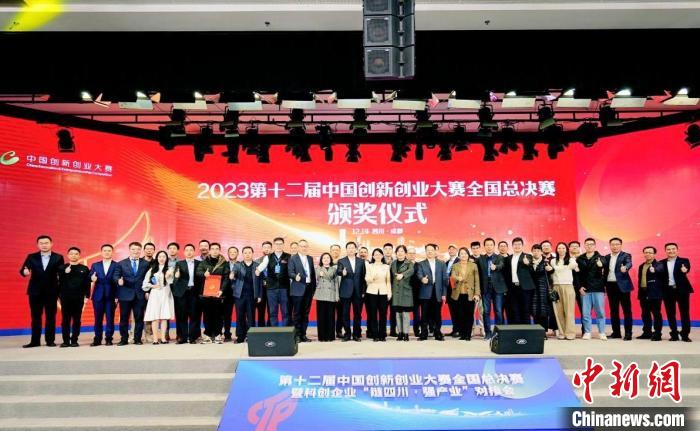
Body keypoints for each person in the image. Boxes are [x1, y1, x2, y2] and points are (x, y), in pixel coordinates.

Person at [19, 235, 65, 348]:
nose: (44, 245)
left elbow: (61, 274)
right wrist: (25, 272)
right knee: (35, 317)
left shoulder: (58, 257)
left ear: (51, 244)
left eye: (46, 243)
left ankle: (50, 341)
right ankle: (35, 341)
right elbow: (23, 270)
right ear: (38, 245)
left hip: (52, 291)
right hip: (35, 291)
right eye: (41, 243)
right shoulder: (31, 257)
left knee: (50, 316)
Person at [114, 242, 150, 345]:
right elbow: (116, 275)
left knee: (139, 318)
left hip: (140, 294)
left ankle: (137, 339)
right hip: (125, 294)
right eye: (133, 249)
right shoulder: (121, 263)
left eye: (138, 249)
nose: (136, 251)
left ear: (141, 250)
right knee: (124, 318)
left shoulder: (145, 264)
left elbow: (148, 278)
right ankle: (124, 339)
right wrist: (118, 280)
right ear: (129, 250)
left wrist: (147, 291)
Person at [196, 243, 230, 344]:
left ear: (219, 250)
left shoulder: (224, 263)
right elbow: (198, 272)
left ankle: (218, 334)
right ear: (210, 251)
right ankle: (208, 334)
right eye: (213, 249)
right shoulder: (203, 262)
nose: (215, 251)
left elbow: (226, 278)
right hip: (206, 293)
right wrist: (204, 274)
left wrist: (222, 290)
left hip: (218, 293)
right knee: (207, 314)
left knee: (218, 315)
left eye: (217, 249)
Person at [658, 243, 693, 342]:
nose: (671, 251)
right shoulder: (661, 263)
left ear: (677, 250)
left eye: (673, 249)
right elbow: (659, 276)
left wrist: (685, 270)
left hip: (682, 290)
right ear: (665, 251)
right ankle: (674, 334)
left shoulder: (684, 261)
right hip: (667, 291)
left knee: (684, 313)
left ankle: (685, 334)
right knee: (670, 313)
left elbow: (686, 268)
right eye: (668, 249)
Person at [57, 247, 91, 347]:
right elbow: (58, 283)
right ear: (68, 255)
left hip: (79, 298)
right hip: (65, 297)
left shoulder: (84, 268)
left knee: (77, 319)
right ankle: (66, 341)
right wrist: (64, 273)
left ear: (79, 255)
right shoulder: (61, 268)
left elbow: (87, 283)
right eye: (71, 254)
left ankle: (74, 340)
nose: (74, 255)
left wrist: (87, 296)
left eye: (76, 254)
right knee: (65, 320)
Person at [416, 244, 449, 340]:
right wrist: (422, 279)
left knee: (437, 314)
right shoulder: (421, 264)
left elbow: (445, 280)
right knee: (424, 314)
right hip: (425, 292)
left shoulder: (441, 264)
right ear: (425, 252)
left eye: (432, 250)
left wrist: (444, 294)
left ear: (435, 251)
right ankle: (424, 333)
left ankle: (437, 332)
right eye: (428, 250)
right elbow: (419, 274)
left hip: (437, 292)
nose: (430, 252)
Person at [604, 237, 634, 340]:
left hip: (623, 286)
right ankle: (616, 332)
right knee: (613, 310)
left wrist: (625, 267)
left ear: (621, 245)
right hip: (610, 286)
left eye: (617, 244)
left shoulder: (626, 255)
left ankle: (628, 333)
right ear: (610, 245)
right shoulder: (606, 257)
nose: (615, 246)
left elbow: (629, 263)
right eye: (613, 244)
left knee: (627, 311)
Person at [577, 238, 607, 340]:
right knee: (585, 313)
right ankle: (587, 332)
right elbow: (577, 275)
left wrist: (600, 266)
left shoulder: (601, 258)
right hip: (585, 289)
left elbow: (605, 267)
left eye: (591, 244)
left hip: (598, 288)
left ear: (595, 246)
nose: (589, 246)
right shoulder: (580, 259)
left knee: (600, 312)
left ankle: (602, 332)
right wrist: (580, 287)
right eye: (587, 244)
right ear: (584, 246)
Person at [143, 251, 175, 344]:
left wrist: (169, 275)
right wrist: (152, 286)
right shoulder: (152, 269)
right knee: (155, 317)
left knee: (164, 317)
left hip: (166, 293)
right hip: (155, 294)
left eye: (164, 256)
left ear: (166, 258)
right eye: (160, 256)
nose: (161, 258)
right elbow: (145, 283)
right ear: (157, 258)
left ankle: (163, 338)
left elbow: (172, 281)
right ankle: (155, 339)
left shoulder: (170, 269)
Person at [230, 246, 261, 343]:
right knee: (240, 316)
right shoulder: (238, 265)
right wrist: (232, 275)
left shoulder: (257, 265)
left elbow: (260, 282)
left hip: (252, 295)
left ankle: (251, 336)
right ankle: (240, 336)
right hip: (239, 295)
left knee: (251, 316)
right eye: (245, 253)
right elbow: (233, 273)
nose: (247, 255)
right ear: (242, 254)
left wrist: (259, 295)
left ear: (252, 254)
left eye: (249, 252)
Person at [477, 238, 507, 341]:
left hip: (498, 288)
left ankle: (498, 333)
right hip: (485, 288)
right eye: (487, 245)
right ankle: (488, 333)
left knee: (498, 311)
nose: (489, 247)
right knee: (486, 312)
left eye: (491, 245)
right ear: (484, 246)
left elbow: (501, 265)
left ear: (494, 246)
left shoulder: (499, 257)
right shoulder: (480, 259)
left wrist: (496, 267)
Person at [89, 244, 118, 346]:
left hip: (111, 295)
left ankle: (109, 339)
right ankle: (97, 339)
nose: (107, 252)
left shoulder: (117, 265)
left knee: (110, 319)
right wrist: (92, 278)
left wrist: (117, 296)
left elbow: (117, 280)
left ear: (112, 252)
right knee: (98, 319)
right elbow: (90, 276)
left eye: (109, 250)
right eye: (105, 250)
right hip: (98, 295)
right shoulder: (95, 265)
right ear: (101, 252)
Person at [337, 241, 366, 342]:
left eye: (353, 247)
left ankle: (356, 334)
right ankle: (347, 334)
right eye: (349, 248)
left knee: (357, 314)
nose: (351, 249)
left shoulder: (361, 261)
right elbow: (338, 271)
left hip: (358, 291)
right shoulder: (342, 261)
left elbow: (363, 277)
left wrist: (363, 291)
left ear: (356, 249)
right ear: (346, 250)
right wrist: (342, 272)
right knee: (345, 314)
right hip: (345, 291)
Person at [288, 239, 316, 342]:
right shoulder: (292, 258)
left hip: (309, 289)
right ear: (298, 247)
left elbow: (312, 274)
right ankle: (297, 335)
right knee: (297, 314)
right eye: (302, 246)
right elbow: (290, 272)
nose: (304, 248)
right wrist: (295, 276)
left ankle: (303, 335)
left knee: (305, 313)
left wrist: (313, 288)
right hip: (298, 288)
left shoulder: (310, 258)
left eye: (305, 246)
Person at [172, 244, 201, 344]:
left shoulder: (199, 263)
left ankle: (193, 337)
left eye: (191, 250)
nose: (189, 252)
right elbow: (175, 279)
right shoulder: (179, 263)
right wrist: (176, 276)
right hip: (182, 293)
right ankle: (182, 337)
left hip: (194, 292)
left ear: (194, 252)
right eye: (187, 250)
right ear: (184, 252)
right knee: (181, 315)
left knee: (194, 315)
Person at [450, 247, 480, 341]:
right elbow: (453, 275)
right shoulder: (455, 265)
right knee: (460, 315)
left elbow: (477, 280)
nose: (463, 255)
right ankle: (462, 334)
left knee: (469, 315)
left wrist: (477, 294)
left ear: (468, 255)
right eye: (461, 253)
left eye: (465, 253)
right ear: (459, 255)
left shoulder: (473, 265)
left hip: (470, 294)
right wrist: (457, 278)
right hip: (458, 294)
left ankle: (468, 334)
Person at [550, 242, 578, 340]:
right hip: (556, 287)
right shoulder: (553, 261)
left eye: (563, 248)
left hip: (568, 286)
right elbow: (554, 270)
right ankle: (562, 333)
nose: (561, 250)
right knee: (558, 312)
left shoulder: (571, 259)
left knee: (569, 311)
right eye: (559, 248)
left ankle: (570, 333)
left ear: (566, 249)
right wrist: (564, 268)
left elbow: (573, 266)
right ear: (556, 250)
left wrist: (559, 268)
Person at [637, 246, 664, 341]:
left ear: (654, 254)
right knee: (645, 314)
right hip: (643, 292)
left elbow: (660, 270)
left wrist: (655, 270)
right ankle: (647, 332)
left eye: (650, 252)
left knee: (656, 314)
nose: (648, 254)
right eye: (646, 252)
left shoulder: (659, 264)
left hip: (655, 293)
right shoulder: (641, 266)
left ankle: (657, 334)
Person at [506, 237, 535, 324]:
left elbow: (533, 270)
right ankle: (517, 329)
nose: (517, 246)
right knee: (514, 310)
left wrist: (528, 263)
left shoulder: (528, 256)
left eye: (519, 244)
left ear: (522, 246)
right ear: (512, 246)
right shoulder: (508, 258)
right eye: (515, 244)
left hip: (525, 288)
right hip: (512, 288)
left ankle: (526, 330)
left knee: (526, 309)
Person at [365, 248, 391, 342]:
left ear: (382, 256)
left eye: (379, 254)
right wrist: (373, 277)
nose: (378, 256)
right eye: (376, 254)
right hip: (371, 292)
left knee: (383, 314)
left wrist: (389, 293)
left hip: (383, 292)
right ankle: (375, 334)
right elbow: (367, 279)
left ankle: (382, 334)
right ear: (373, 256)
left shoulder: (386, 266)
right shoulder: (369, 266)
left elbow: (388, 281)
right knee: (373, 314)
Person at [391, 245, 415, 341]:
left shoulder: (409, 263)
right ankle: (400, 333)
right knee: (398, 314)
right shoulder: (393, 263)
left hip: (405, 291)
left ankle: (406, 334)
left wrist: (403, 275)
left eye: (402, 251)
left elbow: (411, 271)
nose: (400, 253)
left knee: (405, 314)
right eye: (398, 251)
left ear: (405, 253)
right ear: (396, 253)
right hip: (396, 292)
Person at [314, 252, 339, 342]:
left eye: (328, 258)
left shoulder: (334, 269)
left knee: (330, 316)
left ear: (330, 259)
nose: (326, 259)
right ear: (321, 260)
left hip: (331, 293)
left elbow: (336, 283)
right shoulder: (318, 268)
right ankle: (322, 337)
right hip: (321, 294)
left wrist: (337, 295)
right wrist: (319, 274)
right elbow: (316, 279)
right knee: (321, 316)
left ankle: (330, 336)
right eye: (324, 258)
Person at [529, 244, 552, 335]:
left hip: (543, 289)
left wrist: (551, 269)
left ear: (541, 252)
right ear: (532, 252)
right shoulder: (529, 262)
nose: (536, 252)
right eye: (534, 251)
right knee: (534, 309)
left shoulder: (546, 261)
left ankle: (544, 331)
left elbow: (551, 272)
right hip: (532, 289)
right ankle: (536, 330)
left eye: (538, 251)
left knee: (544, 309)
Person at [223, 246, 239, 341]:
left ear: (237, 254)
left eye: (234, 252)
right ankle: (227, 334)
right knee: (226, 315)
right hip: (227, 293)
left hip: (239, 292)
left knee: (240, 314)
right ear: (228, 254)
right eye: (231, 252)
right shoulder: (224, 264)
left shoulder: (241, 264)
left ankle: (240, 334)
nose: (232, 253)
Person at [569, 240, 585, 335]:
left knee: (584, 310)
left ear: (579, 248)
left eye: (576, 246)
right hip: (569, 287)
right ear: (569, 248)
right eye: (572, 246)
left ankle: (585, 330)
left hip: (581, 288)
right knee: (568, 310)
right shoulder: (566, 259)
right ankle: (569, 330)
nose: (574, 247)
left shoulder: (584, 259)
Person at [254, 241, 271, 327]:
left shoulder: (274, 260)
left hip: (272, 288)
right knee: (261, 310)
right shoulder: (257, 261)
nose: (266, 249)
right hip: (261, 288)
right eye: (265, 247)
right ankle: (261, 328)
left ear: (271, 248)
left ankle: (270, 328)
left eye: (268, 247)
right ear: (262, 249)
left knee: (271, 310)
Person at [444, 244, 460, 338]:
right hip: (449, 289)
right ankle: (455, 329)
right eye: (450, 249)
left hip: (457, 289)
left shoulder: (459, 261)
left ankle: (459, 330)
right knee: (452, 310)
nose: (451, 250)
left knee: (458, 310)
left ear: (456, 251)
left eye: (453, 249)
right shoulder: (446, 263)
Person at [407, 246, 422, 337]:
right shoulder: (403, 265)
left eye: (413, 253)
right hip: (405, 292)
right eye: (410, 253)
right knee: (404, 313)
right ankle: (404, 331)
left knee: (416, 313)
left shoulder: (419, 265)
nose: (412, 255)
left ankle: (416, 330)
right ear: (406, 254)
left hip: (416, 292)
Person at [330, 244, 344, 339]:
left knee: (341, 313)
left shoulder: (343, 262)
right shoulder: (326, 262)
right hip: (330, 292)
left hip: (341, 292)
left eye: (337, 250)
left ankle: (339, 331)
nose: (335, 251)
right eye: (333, 250)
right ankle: (330, 332)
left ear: (340, 251)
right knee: (330, 313)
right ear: (330, 251)